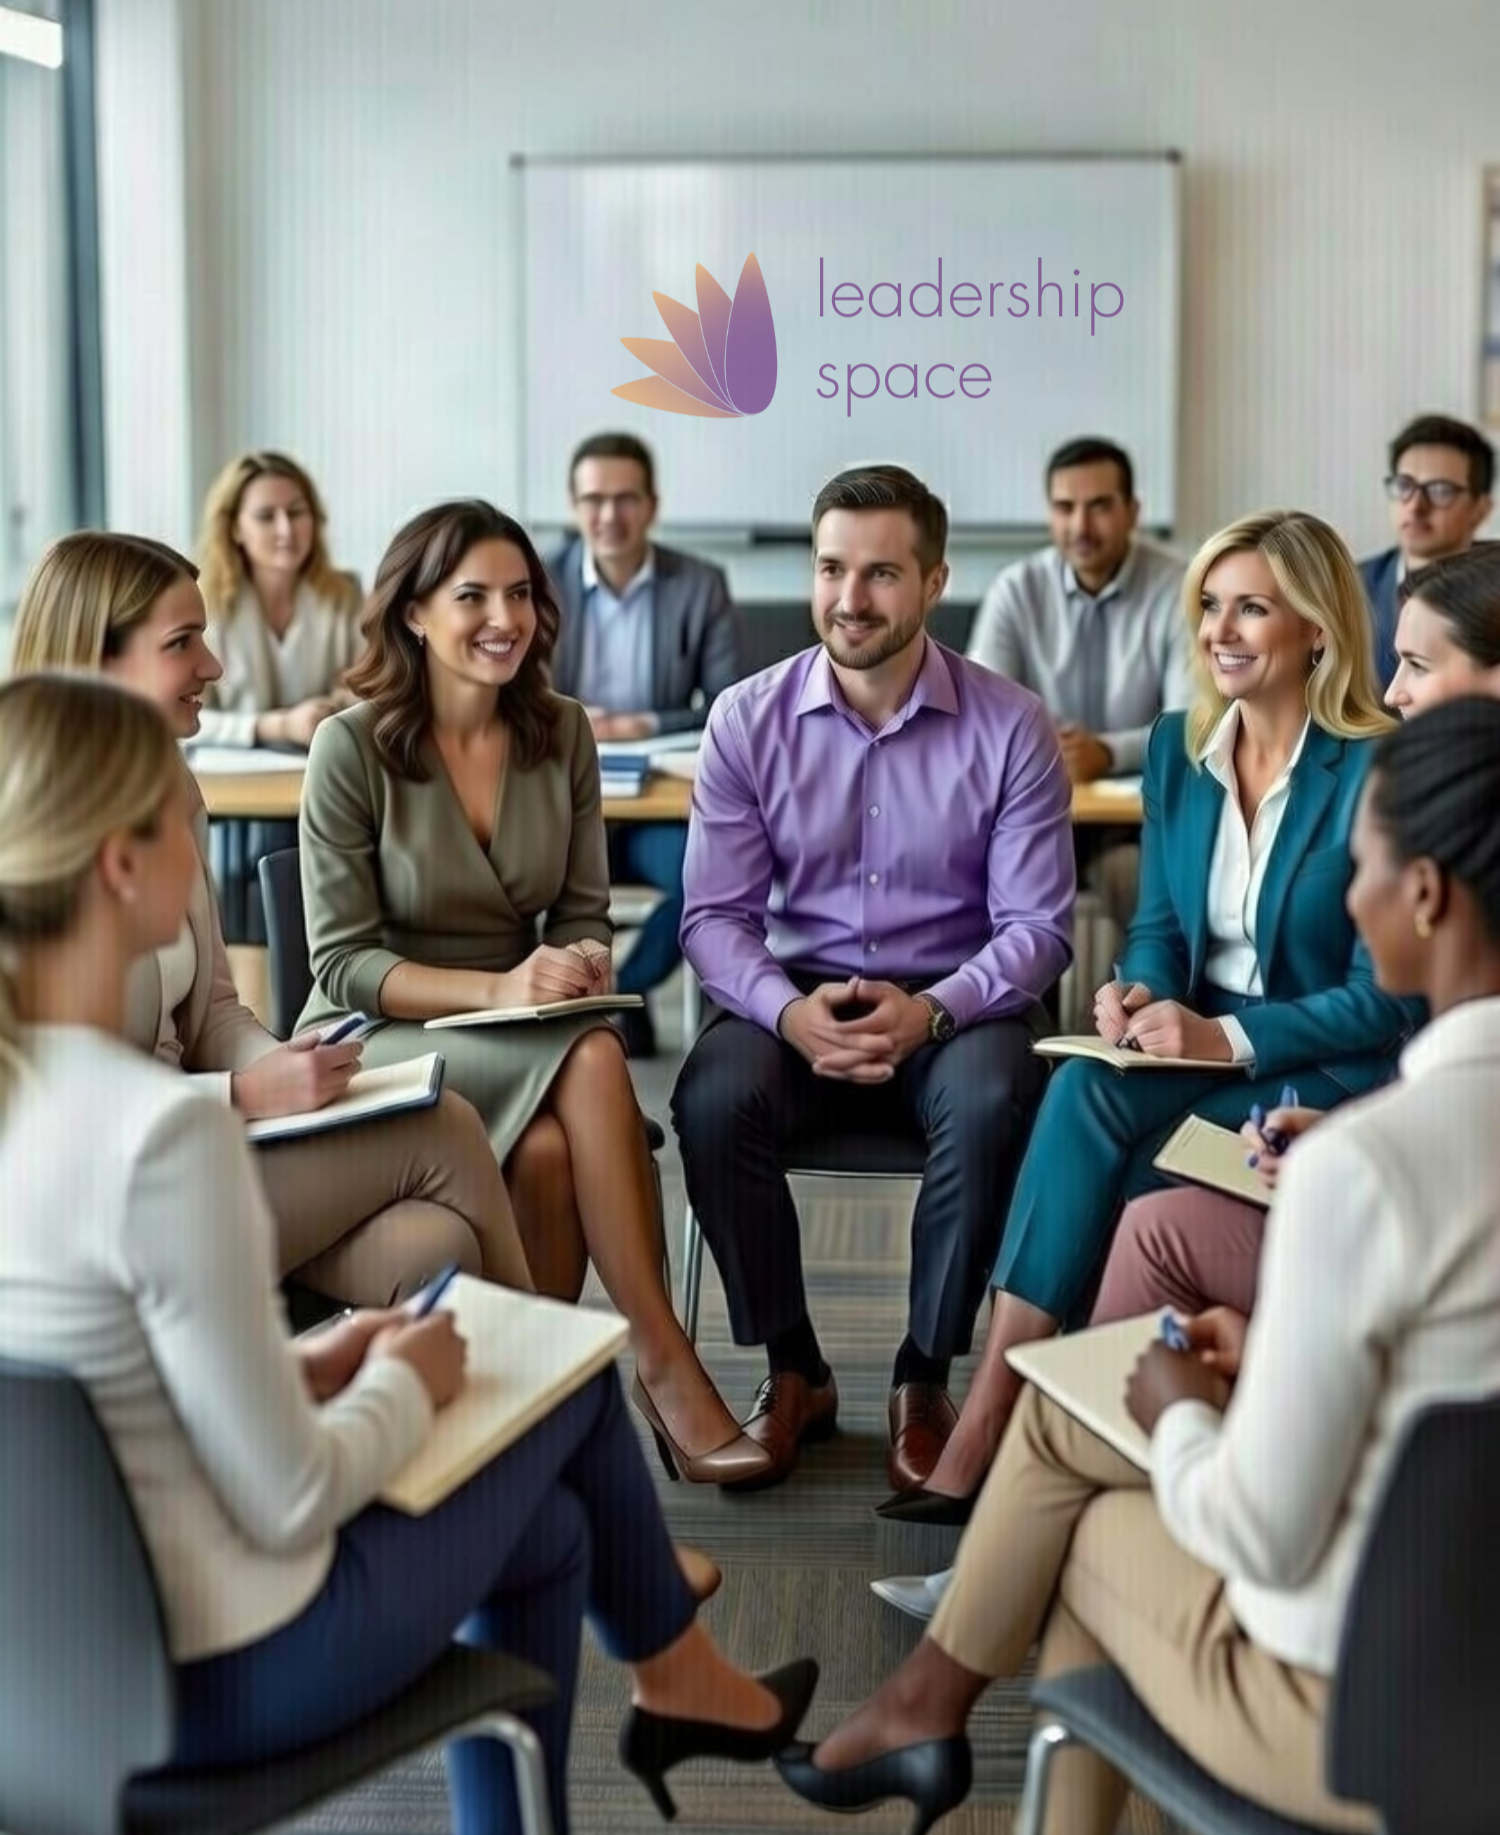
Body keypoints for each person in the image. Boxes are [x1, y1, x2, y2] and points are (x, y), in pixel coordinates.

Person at [0, 673, 817, 1835]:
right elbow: (293, 1497)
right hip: (213, 1676)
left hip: (37, 1677)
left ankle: (667, 1686)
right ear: (121, 868)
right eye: (172, 816)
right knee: (548, 1380)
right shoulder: (163, 1136)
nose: (195, 833)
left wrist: (313, 1367)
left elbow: (93, 1390)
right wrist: (402, 1380)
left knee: (555, 1531)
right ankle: (679, 1674)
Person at [778, 693, 1500, 1835]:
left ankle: (928, 1700)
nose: (1352, 892)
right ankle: (927, 1705)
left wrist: (1174, 1411)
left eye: (1364, 860)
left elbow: (1257, 1528)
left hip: (1379, 1710)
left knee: (1083, 1528)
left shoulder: (1364, 1172)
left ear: (1422, 893)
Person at [876, 541, 1500, 1623]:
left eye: (1251, 607)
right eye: (1210, 604)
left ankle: (1019, 1473)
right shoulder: (1177, 746)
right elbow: (1160, 925)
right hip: (1195, 1044)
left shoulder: (1377, 762)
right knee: (1084, 1088)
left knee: (1126, 1182)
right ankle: (1005, 1428)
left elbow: (1384, 994)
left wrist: (1221, 1037)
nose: (1219, 629)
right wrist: (1129, 996)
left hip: (1317, 1062)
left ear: (1315, 627)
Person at [297, 498, 770, 1485]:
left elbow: (587, 910)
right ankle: (660, 1359)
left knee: (551, 1150)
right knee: (597, 1054)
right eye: (472, 595)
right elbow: (342, 963)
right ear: (415, 613)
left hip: (526, 1023)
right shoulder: (350, 748)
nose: (503, 616)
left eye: (520, 593)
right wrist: (502, 985)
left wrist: (583, 961)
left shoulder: (562, 731)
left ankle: (535, 1420)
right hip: (382, 1033)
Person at [671, 464, 1075, 1493]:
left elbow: (1038, 926)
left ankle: (920, 1373)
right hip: (795, 993)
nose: (851, 598)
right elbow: (715, 919)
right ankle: (795, 1366)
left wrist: (935, 1009)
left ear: (936, 580)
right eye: (831, 569)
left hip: (956, 999)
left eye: (882, 572)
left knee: (996, 1098)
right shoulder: (745, 719)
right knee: (711, 1097)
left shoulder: (1012, 722)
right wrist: (786, 1011)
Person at [10, 532, 531, 1308]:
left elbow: (214, 1008)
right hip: (117, 1189)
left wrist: (288, 1061)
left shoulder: (172, 788)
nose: (213, 668)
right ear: (98, 661)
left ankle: (487, 1416)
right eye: (182, 643)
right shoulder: (28, 836)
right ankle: (582, 1391)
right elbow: (51, 1096)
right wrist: (243, 1094)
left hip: (204, 1143)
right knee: (446, 1125)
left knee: (436, 1246)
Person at [548, 433, 741, 1057]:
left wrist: (643, 725)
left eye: (626, 499)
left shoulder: (699, 584)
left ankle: (619, 996)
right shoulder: (535, 582)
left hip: (656, 802)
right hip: (560, 802)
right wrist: (575, 722)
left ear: (652, 505)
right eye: (594, 499)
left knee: (707, 878)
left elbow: (726, 703)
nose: (609, 516)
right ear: (573, 506)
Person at [966, 436, 1192, 932]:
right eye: (1065, 508)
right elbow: (981, 718)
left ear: (1133, 511)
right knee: (999, 883)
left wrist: (1106, 753)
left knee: (1136, 878)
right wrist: (1051, 753)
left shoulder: (1181, 589)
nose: (1080, 527)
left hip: (1138, 819)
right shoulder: (1017, 590)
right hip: (1031, 807)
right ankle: (1016, 1008)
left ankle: (1147, 1005)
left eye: (1099, 507)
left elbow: (1192, 724)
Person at [193, 451, 366, 942]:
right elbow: (189, 715)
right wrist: (275, 726)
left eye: (297, 512)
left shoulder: (343, 594)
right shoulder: (207, 602)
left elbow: (368, 683)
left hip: (324, 775)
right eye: (266, 516)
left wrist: (333, 705)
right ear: (235, 529)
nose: (286, 529)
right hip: (235, 793)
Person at [1358, 413, 1494, 691]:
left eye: (1440, 490)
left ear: (1481, 510)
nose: (1416, 506)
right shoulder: (1347, 588)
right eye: (1404, 486)